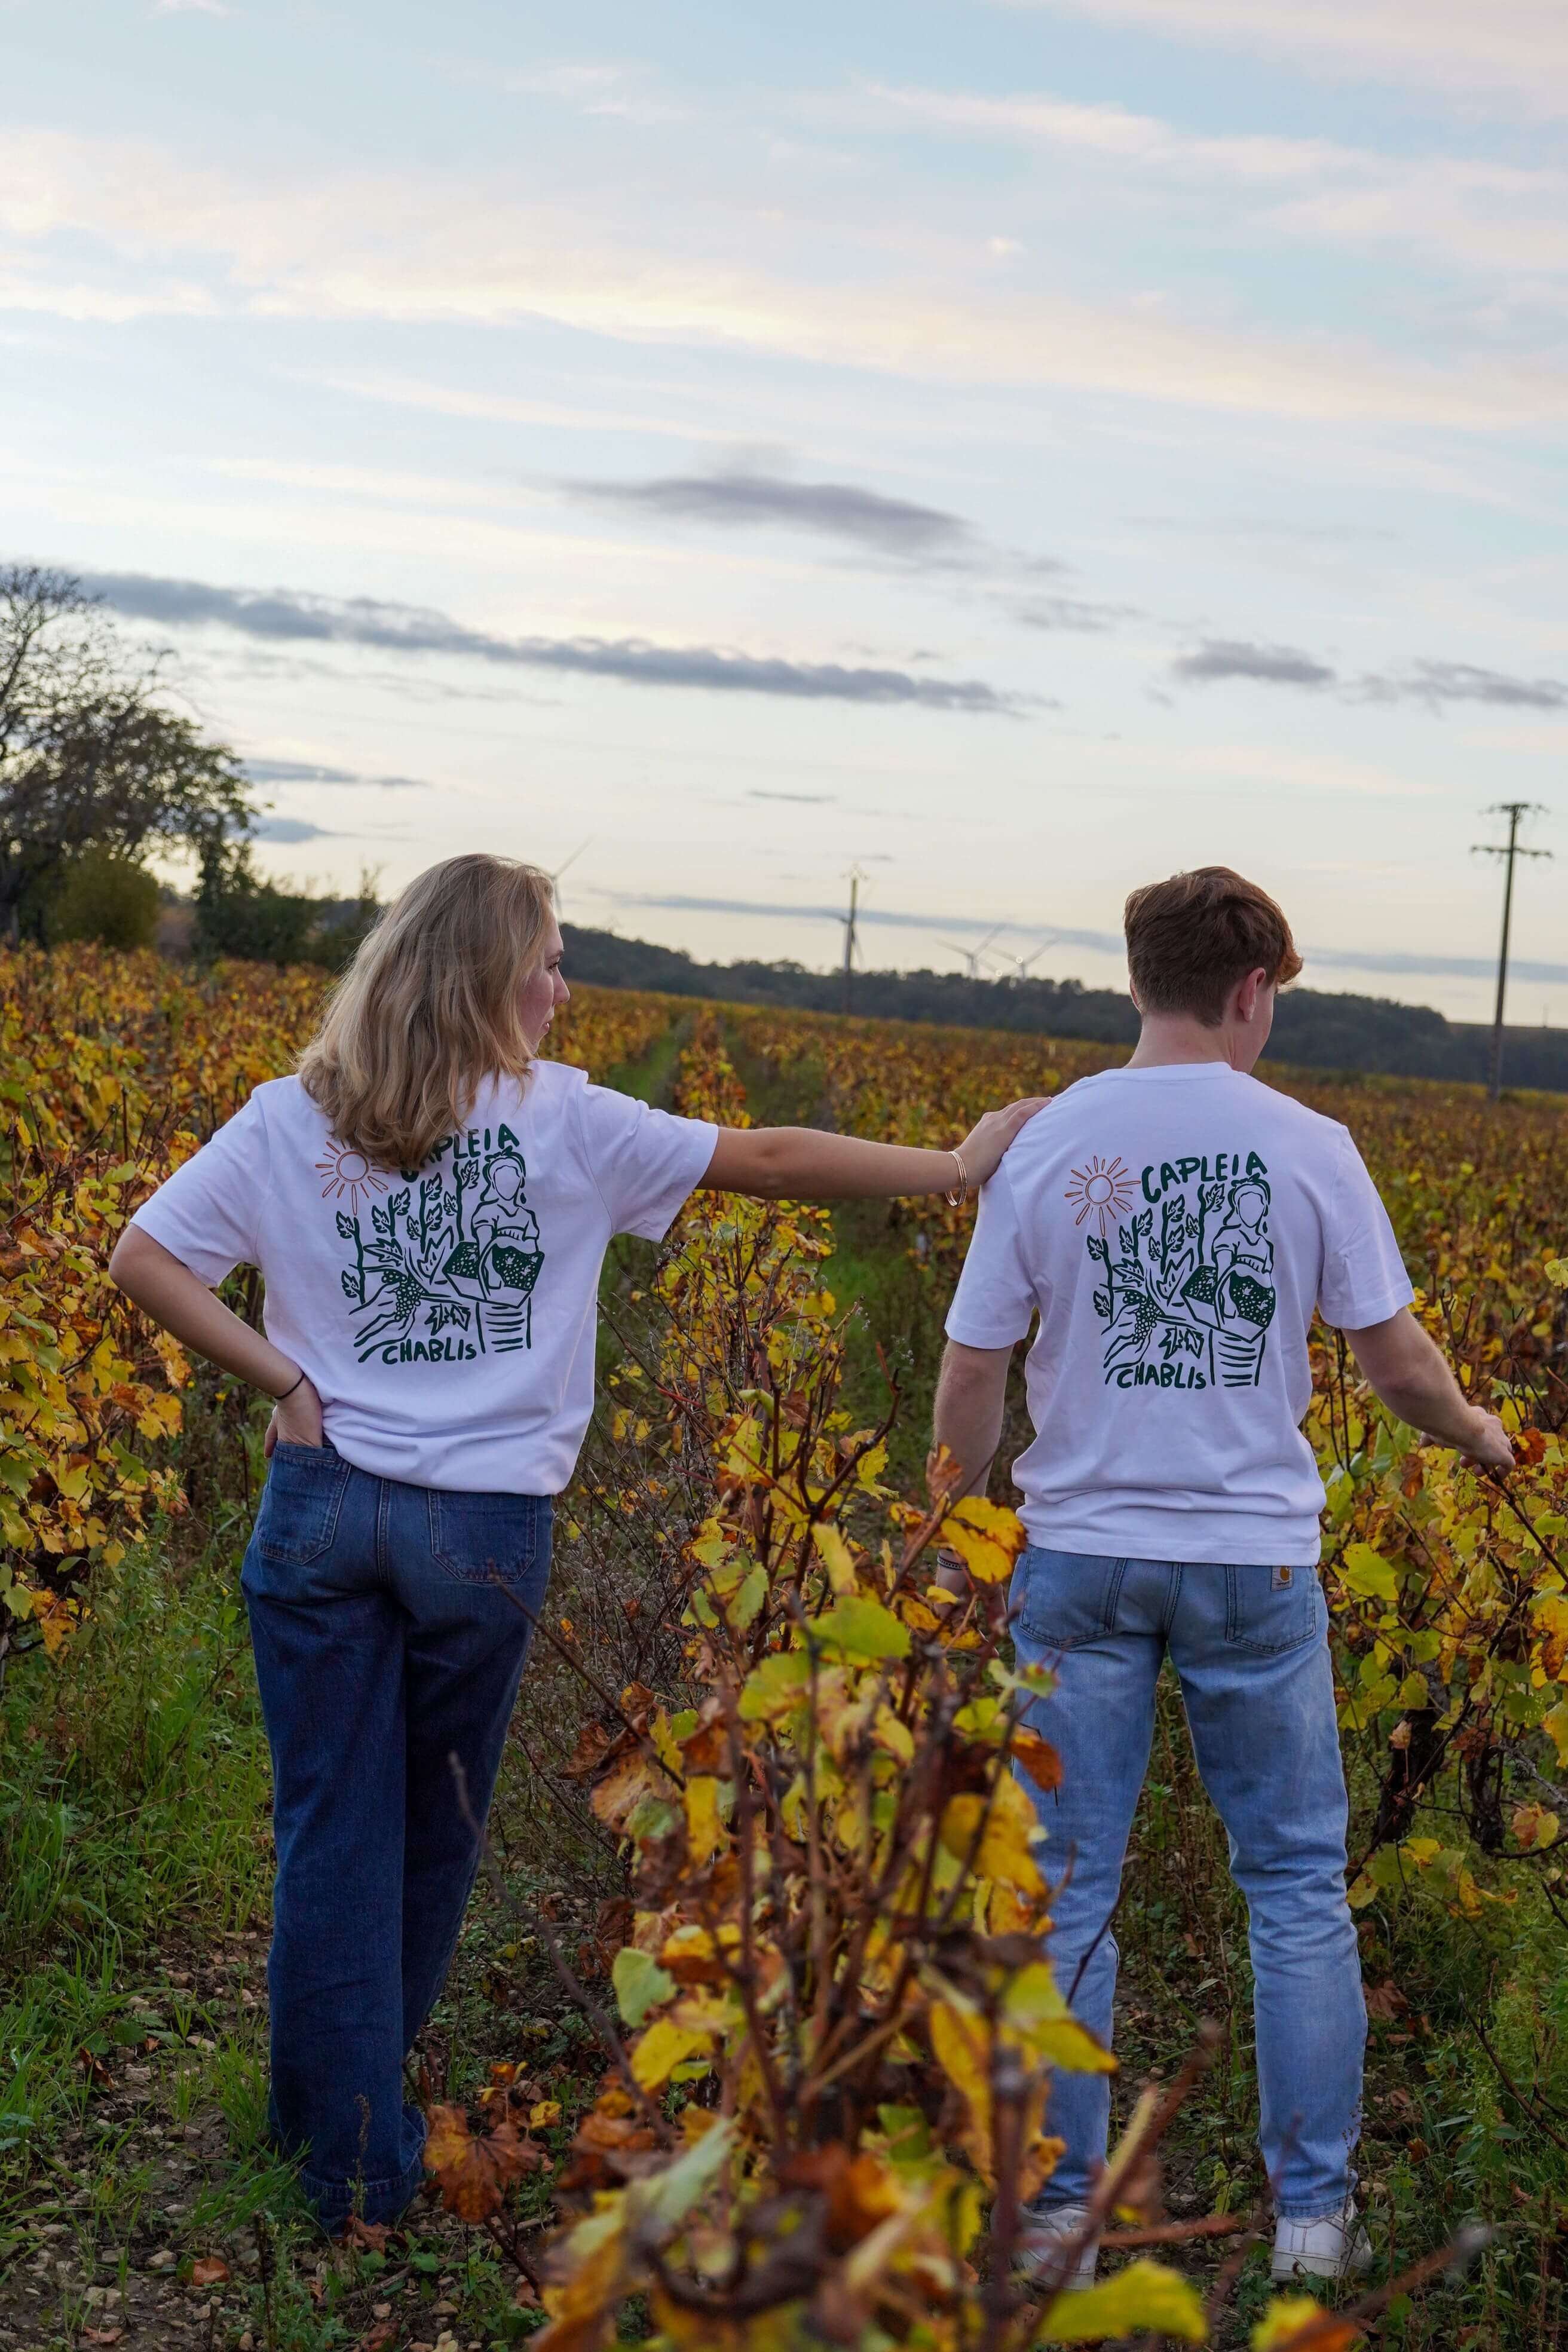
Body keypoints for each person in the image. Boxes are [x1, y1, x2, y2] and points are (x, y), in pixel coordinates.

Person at [109, 853, 1046, 2234]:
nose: (564, 984)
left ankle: (329, 2142)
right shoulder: (567, 1124)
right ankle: (361, 2147)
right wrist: (960, 1164)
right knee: (429, 1831)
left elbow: (142, 1256)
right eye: (548, 957)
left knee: (326, 1826)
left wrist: (288, 1385)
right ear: (493, 978)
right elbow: (770, 1159)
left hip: (319, 1509)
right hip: (479, 1533)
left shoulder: (287, 1116)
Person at [930, 865, 1512, 2286]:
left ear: (1138, 979)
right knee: (1298, 1887)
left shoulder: (1044, 1144)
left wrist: (962, 1528)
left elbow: (970, 1365)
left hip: (1073, 1555)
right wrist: (1483, 1433)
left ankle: (1059, 2223)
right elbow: (1394, 1364)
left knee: (1063, 1892)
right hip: (1251, 1562)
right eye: (1272, 1006)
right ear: (1251, 991)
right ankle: (1312, 2221)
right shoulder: (1307, 1146)